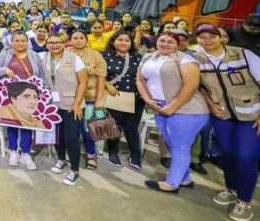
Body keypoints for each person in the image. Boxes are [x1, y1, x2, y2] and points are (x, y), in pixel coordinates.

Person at [194, 24, 260, 221]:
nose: (207, 39)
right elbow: (199, 87)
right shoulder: (197, 60)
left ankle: (244, 201)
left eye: (212, 35)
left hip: (250, 116)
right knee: (225, 153)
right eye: (202, 36)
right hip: (222, 116)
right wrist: (210, 104)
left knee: (246, 156)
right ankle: (231, 189)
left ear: (222, 38)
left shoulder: (244, 55)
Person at [136, 32, 209, 193]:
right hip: (159, 107)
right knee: (172, 144)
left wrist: (172, 107)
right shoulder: (148, 57)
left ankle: (172, 183)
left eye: (171, 42)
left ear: (178, 44)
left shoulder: (186, 59)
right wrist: (148, 100)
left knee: (180, 147)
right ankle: (184, 178)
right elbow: (139, 79)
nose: (165, 44)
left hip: (186, 109)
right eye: (162, 40)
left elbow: (190, 87)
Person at [42, 33, 88, 185]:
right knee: (57, 136)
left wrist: (77, 104)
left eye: (58, 42)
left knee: (71, 137)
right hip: (53, 104)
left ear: (64, 43)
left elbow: (83, 82)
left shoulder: (74, 58)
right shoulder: (44, 57)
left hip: (71, 104)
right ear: (46, 44)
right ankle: (61, 159)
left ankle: (75, 170)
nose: (54, 45)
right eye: (51, 43)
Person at [0, 31, 46, 170]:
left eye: (23, 40)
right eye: (17, 40)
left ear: (27, 41)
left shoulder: (34, 55)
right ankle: (13, 151)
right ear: (11, 42)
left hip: (30, 96)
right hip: (11, 94)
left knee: (27, 124)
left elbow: (41, 75)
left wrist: (43, 91)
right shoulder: (5, 54)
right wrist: (5, 70)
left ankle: (26, 153)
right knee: (12, 123)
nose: (20, 43)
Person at [102, 30, 145, 169]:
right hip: (113, 96)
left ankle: (135, 155)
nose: (123, 43)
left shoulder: (138, 57)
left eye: (127, 40)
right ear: (113, 41)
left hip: (135, 98)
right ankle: (113, 152)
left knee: (131, 127)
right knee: (112, 126)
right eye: (120, 40)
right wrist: (107, 85)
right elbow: (97, 75)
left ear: (131, 43)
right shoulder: (104, 55)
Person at [68, 28, 107, 170]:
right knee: (73, 129)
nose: (78, 40)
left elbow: (101, 78)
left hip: (91, 98)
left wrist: (99, 99)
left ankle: (91, 154)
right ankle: (72, 153)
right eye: (75, 38)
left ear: (86, 40)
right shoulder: (65, 54)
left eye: (81, 38)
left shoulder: (96, 55)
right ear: (70, 40)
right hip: (71, 99)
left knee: (89, 128)